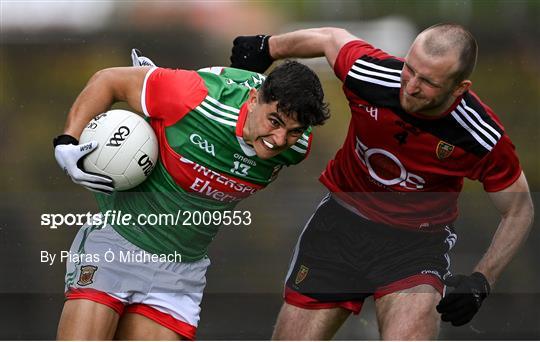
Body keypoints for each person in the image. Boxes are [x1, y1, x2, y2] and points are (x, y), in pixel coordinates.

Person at [230, 24, 534, 339]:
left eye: (428, 81)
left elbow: (519, 210)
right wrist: (268, 47)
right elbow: (331, 39)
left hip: (415, 247)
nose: (411, 86)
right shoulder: (371, 76)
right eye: (410, 69)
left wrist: (482, 280)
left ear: (459, 88)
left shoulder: (480, 137)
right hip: (339, 227)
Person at [53, 50, 329, 340]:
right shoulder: (193, 99)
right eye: (273, 122)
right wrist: (67, 140)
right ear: (252, 100)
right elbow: (107, 80)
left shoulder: (298, 148)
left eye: (294, 131)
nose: (279, 140)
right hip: (118, 241)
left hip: (180, 270)